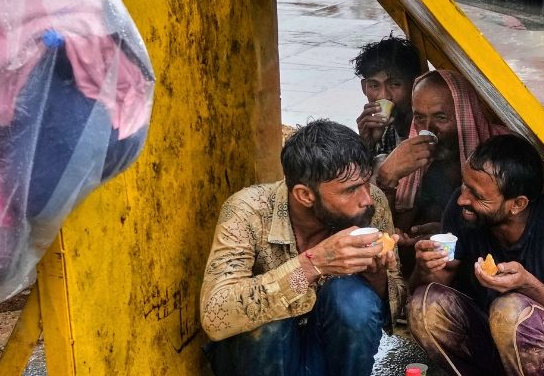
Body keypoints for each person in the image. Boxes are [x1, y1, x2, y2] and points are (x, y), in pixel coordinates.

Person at [200, 119, 405, 376]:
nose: (365, 197)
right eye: (351, 190)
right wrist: (313, 264)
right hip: (261, 357)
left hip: (327, 351)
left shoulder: (371, 203)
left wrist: (376, 275)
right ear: (305, 195)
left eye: (365, 182)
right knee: (269, 322)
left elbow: (389, 313)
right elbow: (215, 316)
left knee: (354, 301)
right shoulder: (247, 211)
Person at [408, 134, 544, 376]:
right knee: (425, 304)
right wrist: (424, 267)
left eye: (477, 195)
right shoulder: (462, 210)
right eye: (465, 185)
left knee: (509, 310)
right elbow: (437, 282)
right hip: (494, 342)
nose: (463, 198)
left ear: (516, 204)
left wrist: (529, 286)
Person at [376, 69, 502, 239]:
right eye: (419, 118)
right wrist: (387, 178)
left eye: (441, 118)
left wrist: (451, 231)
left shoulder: (501, 152)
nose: (428, 130)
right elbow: (396, 229)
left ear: (464, 115)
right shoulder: (417, 159)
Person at [351, 35, 424, 156]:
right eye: (374, 86)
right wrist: (366, 144)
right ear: (364, 88)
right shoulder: (382, 131)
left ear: (415, 85)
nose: (384, 96)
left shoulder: (427, 128)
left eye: (395, 85)